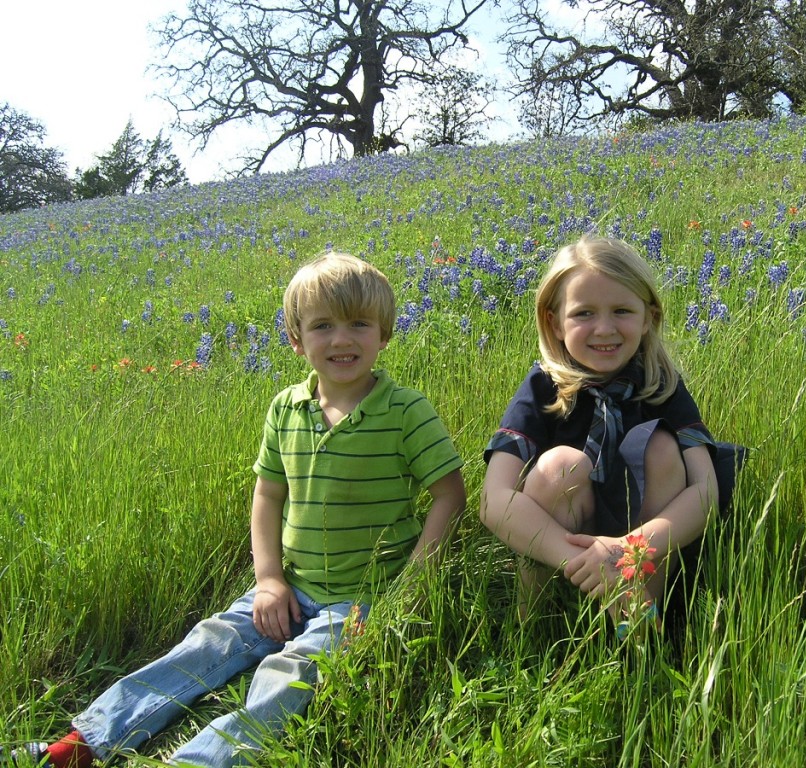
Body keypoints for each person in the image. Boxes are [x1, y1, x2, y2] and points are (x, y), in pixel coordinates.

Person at [11, 252, 466, 767]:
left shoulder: (407, 409)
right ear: (296, 340)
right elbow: (269, 495)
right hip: (291, 583)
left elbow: (449, 494)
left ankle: (197, 762)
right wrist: (269, 580)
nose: (342, 339)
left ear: (385, 334)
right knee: (207, 641)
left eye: (359, 324)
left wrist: (410, 586)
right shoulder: (285, 407)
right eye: (322, 326)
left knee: (291, 675)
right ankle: (87, 741)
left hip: (364, 597)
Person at [479, 235, 740, 632]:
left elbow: (706, 491)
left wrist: (622, 553)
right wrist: (588, 562)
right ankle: (537, 629)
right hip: (562, 551)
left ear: (649, 317)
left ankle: (641, 627)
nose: (604, 329)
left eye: (621, 310)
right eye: (583, 313)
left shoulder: (661, 384)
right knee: (559, 467)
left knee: (660, 446)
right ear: (554, 322)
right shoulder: (542, 386)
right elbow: (493, 500)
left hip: (641, 549)